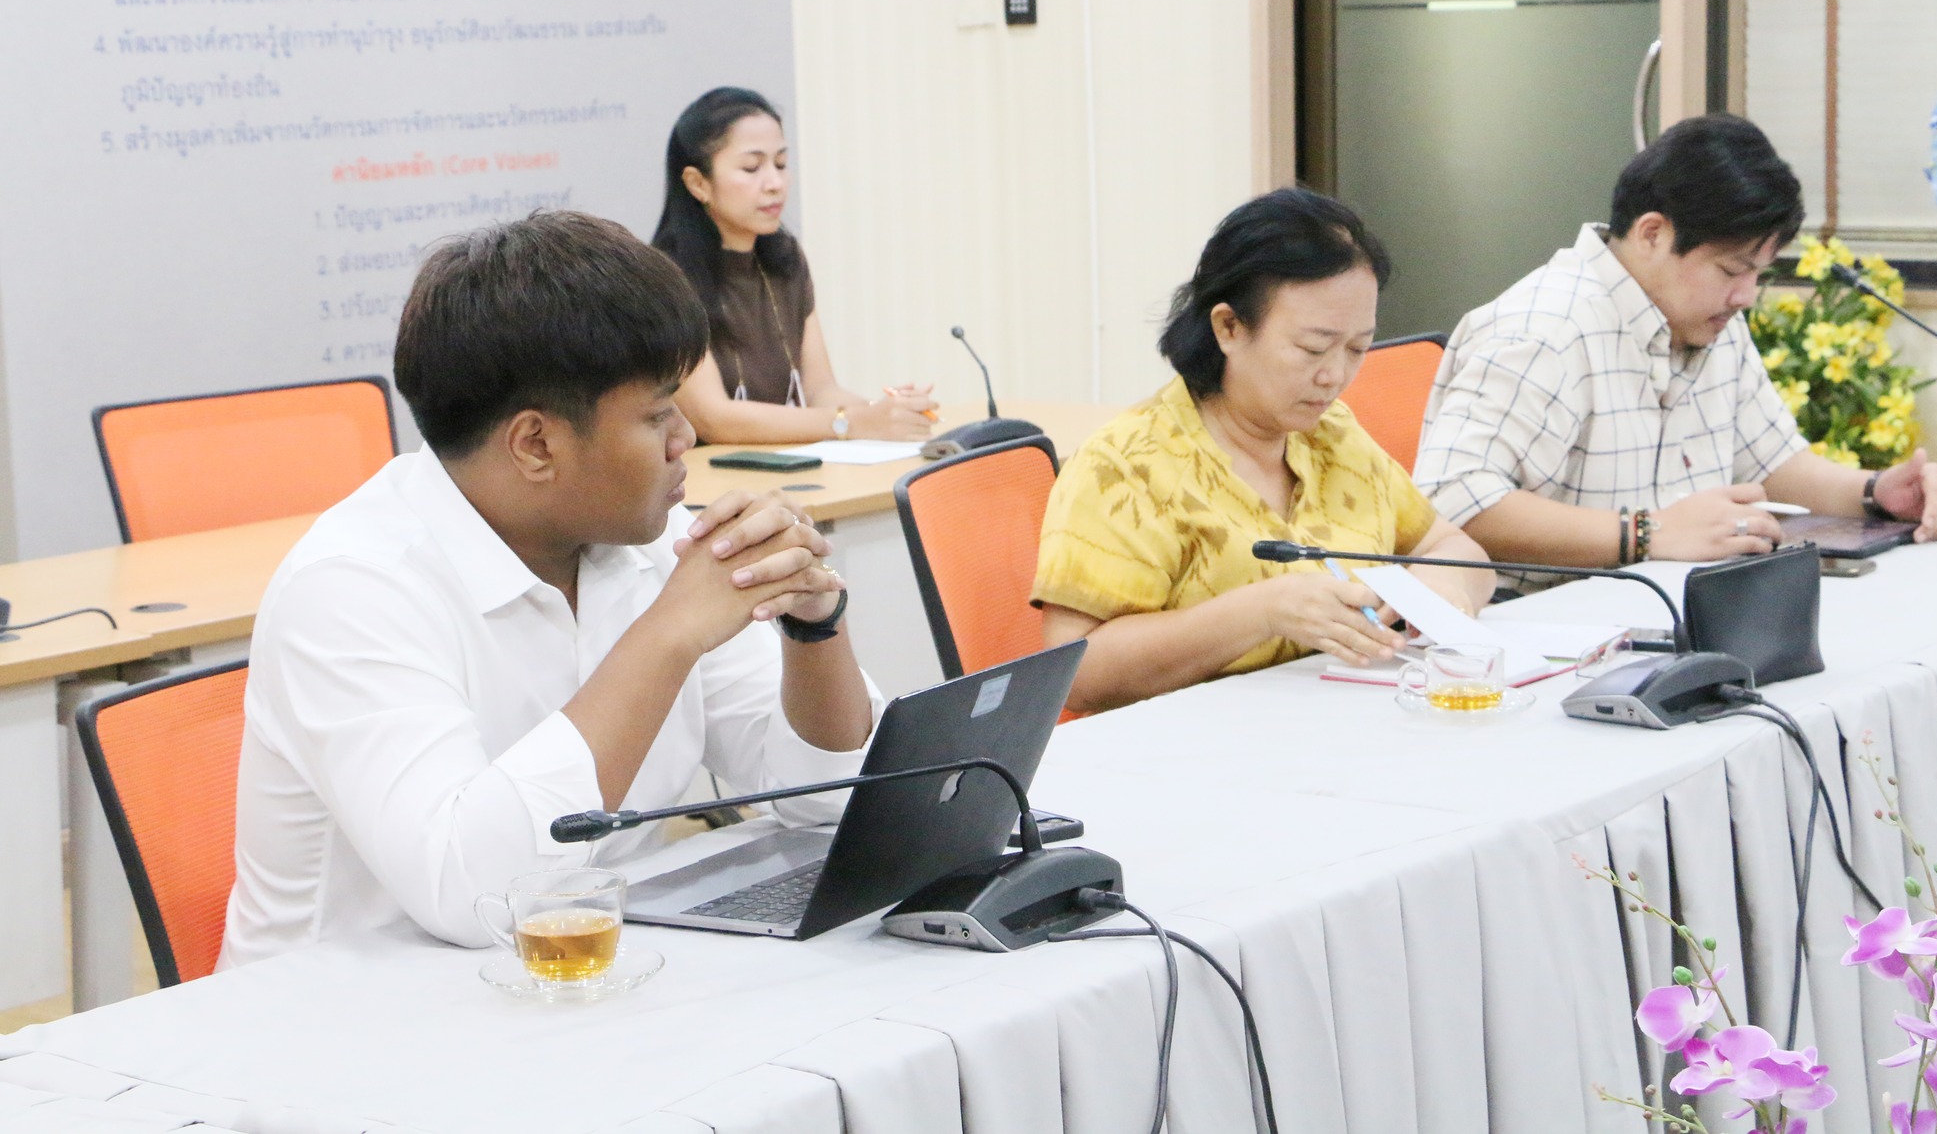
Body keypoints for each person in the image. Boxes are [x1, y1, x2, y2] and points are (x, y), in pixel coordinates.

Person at [220, 211, 880, 966]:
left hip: (579, 979)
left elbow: (824, 801)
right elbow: (477, 895)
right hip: (341, 1014)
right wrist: (667, 636)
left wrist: (813, 626)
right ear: (535, 444)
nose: (686, 438)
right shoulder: (350, 589)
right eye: (657, 414)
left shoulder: (649, 543)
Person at [1413, 114, 1937, 590]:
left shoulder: (1708, 319)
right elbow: (1454, 500)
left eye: (1757, 273)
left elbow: (1771, 462)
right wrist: (1645, 533)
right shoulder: (1544, 329)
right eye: (1731, 270)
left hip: (1672, 611)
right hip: (1542, 628)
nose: (1746, 296)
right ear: (1652, 234)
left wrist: (1874, 492)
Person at [1033, 188, 1495, 714]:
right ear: (1229, 328)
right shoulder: (1127, 465)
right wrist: (1262, 612)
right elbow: (1075, 675)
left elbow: (1454, 546)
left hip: (1341, 727)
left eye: (1357, 348)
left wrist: (1444, 584)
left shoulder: (1332, 434)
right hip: (1192, 747)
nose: (1335, 376)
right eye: (1312, 348)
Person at [650, 87, 937, 443]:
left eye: (781, 164)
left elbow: (819, 391)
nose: (775, 183)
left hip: (786, 464)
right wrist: (853, 423)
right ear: (698, 184)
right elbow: (715, 419)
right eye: (752, 167)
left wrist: (886, 412)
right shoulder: (663, 280)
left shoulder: (785, 260)